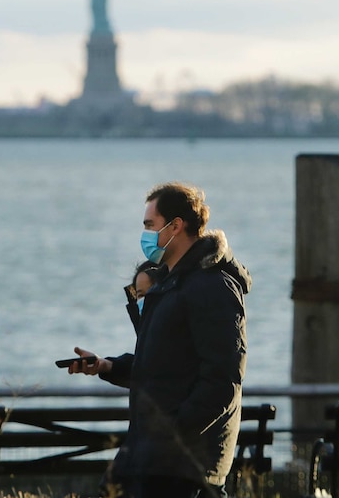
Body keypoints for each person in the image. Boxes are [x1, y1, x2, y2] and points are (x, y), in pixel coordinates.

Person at [68, 182, 252, 498]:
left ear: (175, 226)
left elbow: (223, 379)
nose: (146, 235)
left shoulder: (211, 286)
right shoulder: (171, 284)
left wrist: (174, 433)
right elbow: (162, 366)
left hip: (185, 466)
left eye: (150, 225)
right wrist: (107, 366)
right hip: (152, 458)